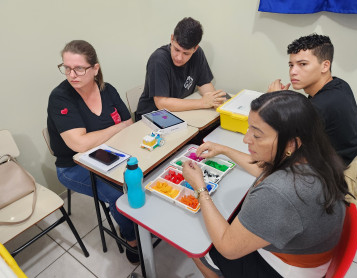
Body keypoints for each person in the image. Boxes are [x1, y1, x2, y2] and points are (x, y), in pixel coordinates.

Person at [182, 91, 348, 278]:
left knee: (197, 242)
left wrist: (200, 188)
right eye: (249, 128)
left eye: (257, 135)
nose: (246, 139)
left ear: (291, 144)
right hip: (309, 251)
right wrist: (223, 149)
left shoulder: (280, 192)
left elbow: (228, 248)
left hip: (284, 269)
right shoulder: (314, 156)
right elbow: (263, 168)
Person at [47, 40, 139, 264]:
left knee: (141, 175)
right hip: (73, 166)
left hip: (109, 154)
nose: (72, 74)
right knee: (118, 194)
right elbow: (79, 145)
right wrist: (116, 128)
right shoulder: (60, 97)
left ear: (95, 69)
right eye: (66, 68)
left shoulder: (108, 90)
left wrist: (104, 135)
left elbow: (130, 122)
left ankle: (144, 221)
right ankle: (132, 239)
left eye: (79, 68)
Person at [267, 34, 357, 165]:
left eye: (303, 64)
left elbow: (278, 141)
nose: (293, 71)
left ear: (325, 66)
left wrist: (272, 102)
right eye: (291, 65)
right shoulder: (339, 85)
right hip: (343, 161)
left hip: (332, 175)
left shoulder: (321, 105)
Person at [135, 17, 227, 121]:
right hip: (151, 116)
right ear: (172, 38)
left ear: (195, 48)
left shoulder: (198, 53)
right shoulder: (158, 60)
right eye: (176, 49)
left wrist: (216, 103)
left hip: (179, 112)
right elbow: (161, 103)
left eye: (186, 53)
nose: (179, 57)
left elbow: (204, 84)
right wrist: (202, 102)